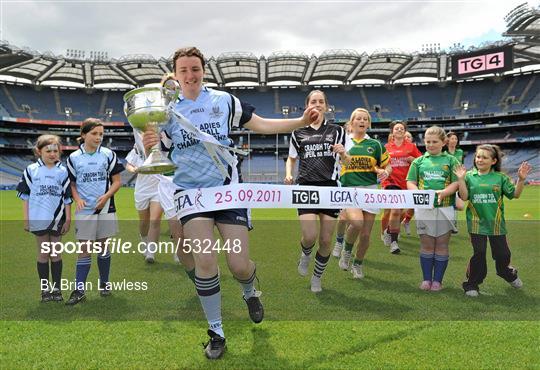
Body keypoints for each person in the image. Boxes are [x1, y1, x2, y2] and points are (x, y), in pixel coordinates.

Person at [142, 46, 320, 360]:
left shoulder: (223, 101)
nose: (190, 75)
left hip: (226, 190)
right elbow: (161, 152)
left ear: (203, 70)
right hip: (191, 195)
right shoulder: (166, 111)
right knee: (206, 262)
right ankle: (216, 332)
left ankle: (250, 290)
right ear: (176, 74)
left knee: (239, 265)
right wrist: (150, 144)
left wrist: (300, 121)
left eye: (194, 69)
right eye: (183, 70)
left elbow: (262, 124)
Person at [284, 90, 346, 293]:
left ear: (326, 106)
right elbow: (292, 158)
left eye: (321, 101)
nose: (317, 104)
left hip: (330, 188)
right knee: (309, 236)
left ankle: (317, 277)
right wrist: (288, 174)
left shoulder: (337, 130)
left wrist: (344, 153)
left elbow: (344, 160)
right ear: (307, 106)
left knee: (326, 240)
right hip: (306, 187)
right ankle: (305, 254)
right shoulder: (297, 132)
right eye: (313, 101)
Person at [455, 145, 531, 297]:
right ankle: (471, 285)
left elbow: (515, 194)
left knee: (503, 255)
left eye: (484, 157)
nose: (480, 160)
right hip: (476, 224)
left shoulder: (500, 178)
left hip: (496, 225)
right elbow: (463, 197)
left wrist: (521, 180)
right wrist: (461, 179)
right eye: (478, 157)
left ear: (493, 161)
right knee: (479, 253)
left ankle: (508, 274)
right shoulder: (469, 176)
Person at [65, 118, 124, 305]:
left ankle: (104, 284)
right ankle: (79, 290)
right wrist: (77, 199)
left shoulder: (108, 154)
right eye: (94, 134)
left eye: (101, 134)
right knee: (84, 249)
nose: (99, 137)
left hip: (105, 207)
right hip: (85, 210)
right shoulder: (74, 158)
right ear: (83, 135)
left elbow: (117, 181)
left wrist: (106, 197)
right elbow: (72, 184)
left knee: (102, 246)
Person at [17, 135, 72, 302]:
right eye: (48, 151)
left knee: (56, 253)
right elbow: (25, 196)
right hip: (38, 219)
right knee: (43, 254)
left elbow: (67, 198)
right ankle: (44, 291)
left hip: (57, 219)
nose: (52, 154)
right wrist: (26, 220)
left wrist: (68, 218)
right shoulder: (31, 170)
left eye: (56, 151)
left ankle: (57, 290)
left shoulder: (62, 171)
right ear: (39, 151)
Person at [338, 108, 391, 279]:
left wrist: (386, 173)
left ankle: (358, 264)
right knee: (357, 223)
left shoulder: (375, 144)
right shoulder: (344, 142)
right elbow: (340, 162)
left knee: (366, 235)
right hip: (350, 189)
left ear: (368, 123)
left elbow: (386, 165)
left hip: (370, 191)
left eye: (365, 119)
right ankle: (346, 250)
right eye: (358, 118)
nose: (361, 121)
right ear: (351, 122)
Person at [406, 126, 459, 291]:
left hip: (445, 208)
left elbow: (457, 182)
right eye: (427, 141)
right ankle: (426, 279)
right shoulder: (418, 161)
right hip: (424, 209)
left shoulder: (451, 161)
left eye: (434, 141)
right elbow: (410, 182)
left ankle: (438, 281)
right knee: (427, 244)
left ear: (443, 142)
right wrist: (420, 195)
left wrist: (444, 192)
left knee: (442, 245)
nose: (430, 144)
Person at [380, 121, 422, 254]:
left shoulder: (411, 147)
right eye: (396, 128)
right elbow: (380, 164)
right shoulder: (386, 147)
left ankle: (388, 230)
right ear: (392, 131)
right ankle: (394, 242)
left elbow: (422, 161)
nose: (399, 130)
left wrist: (413, 160)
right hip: (391, 183)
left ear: (404, 132)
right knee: (395, 211)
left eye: (401, 128)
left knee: (400, 212)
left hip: (407, 183)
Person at [125, 131, 165, 264]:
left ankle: (151, 252)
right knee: (144, 222)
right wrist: (135, 170)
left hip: (158, 187)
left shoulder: (164, 145)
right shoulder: (138, 147)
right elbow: (128, 165)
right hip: (142, 189)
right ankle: (143, 239)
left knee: (155, 220)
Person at [445, 131, 465, 231]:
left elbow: (461, 165)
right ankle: (452, 223)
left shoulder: (460, 152)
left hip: (458, 180)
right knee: (450, 202)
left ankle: (451, 221)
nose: (454, 140)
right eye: (452, 138)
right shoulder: (444, 153)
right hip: (447, 181)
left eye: (456, 139)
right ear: (447, 140)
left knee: (460, 206)